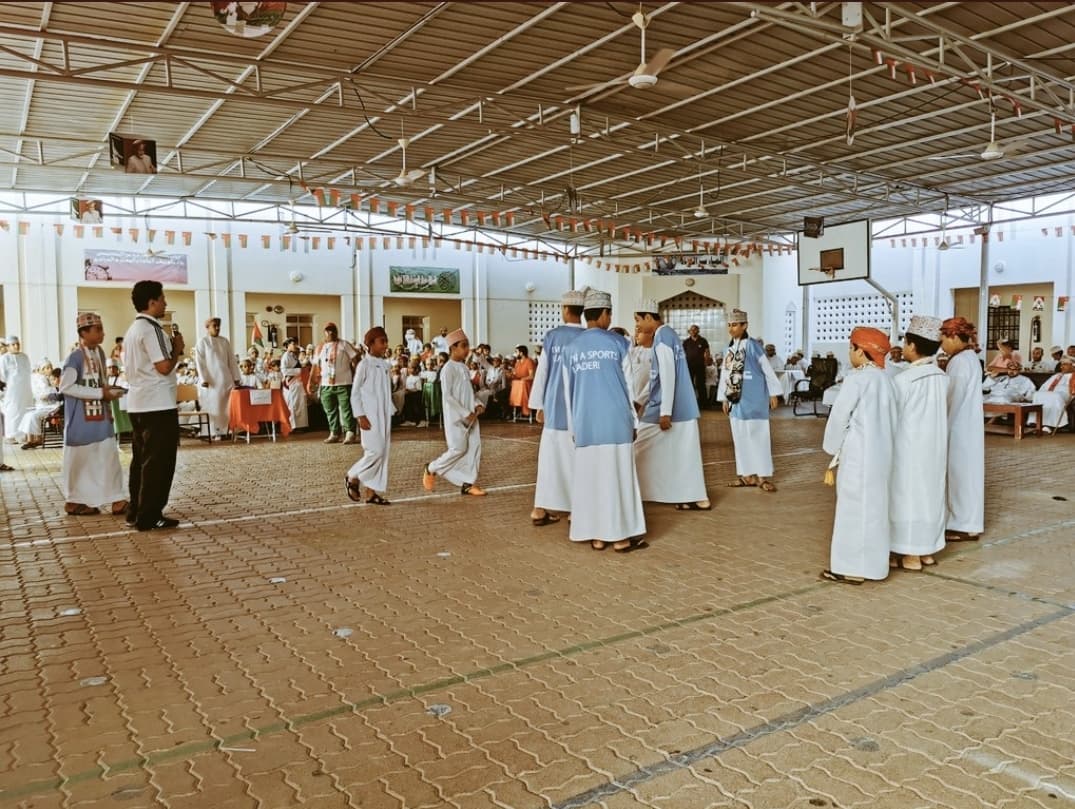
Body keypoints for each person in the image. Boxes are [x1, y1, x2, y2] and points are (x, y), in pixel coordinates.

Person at [563, 289, 646, 553]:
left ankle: (597, 536)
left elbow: (569, 393)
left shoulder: (571, 348)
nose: (610, 319)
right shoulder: (619, 344)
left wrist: (573, 427)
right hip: (615, 421)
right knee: (616, 478)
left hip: (585, 423)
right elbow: (630, 388)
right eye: (609, 314)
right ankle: (620, 537)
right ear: (603, 314)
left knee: (591, 480)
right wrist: (635, 422)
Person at [820, 327, 897, 585]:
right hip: (881, 455)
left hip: (858, 455)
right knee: (874, 510)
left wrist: (831, 447)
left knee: (852, 510)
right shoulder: (886, 379)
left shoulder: (857, 379)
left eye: (852, 347)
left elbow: (840, 415)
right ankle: (875, 567)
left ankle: (850, 568)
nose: (849, 353)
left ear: (861, 352)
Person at [633, 300, 710, 511]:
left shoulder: (663, 337)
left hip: (670, 408)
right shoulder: (666, 335)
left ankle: (633, 492)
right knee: (680, 455)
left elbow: (668, 376)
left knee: (637, 445)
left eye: (638, 320)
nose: (637, 326)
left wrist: (665, 413)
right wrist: (640, 400)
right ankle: (687, 496)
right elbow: (658, 378)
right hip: (675, 406)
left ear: (649, 317)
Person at [122, 280, 183, 531]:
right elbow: (164, 367)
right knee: (159, 462)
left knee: (141, 461)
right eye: (162, 298)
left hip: (138, 403)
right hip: (157, 404)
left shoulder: (132, 330)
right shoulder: (151, 328)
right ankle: (150, 514)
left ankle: (135, 510)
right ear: (152, 302)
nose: (165, 303)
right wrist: (177, 349)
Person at [889, 315, 949, 572]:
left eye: (904, 342)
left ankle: (910, 553)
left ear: (912, 346)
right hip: (934, 448)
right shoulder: (942, 377)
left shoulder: (903, 380)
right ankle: (927, 550)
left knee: (906, 496)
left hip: (908, 449)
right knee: (931, 495)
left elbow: (891, 417)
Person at [59, 312, 128, 517]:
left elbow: (101, 381)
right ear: (84, 332)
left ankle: (117, 500)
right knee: (80, 463)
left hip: (101, 419)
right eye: (97, 329)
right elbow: (65, 386)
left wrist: (108, 395)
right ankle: (74, 502)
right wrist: (100, 393)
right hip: (80, 422)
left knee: (109, 458)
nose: (103, 333)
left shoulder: (99, 353)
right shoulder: (75, 357)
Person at [527, 289, 586, 526]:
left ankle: (540, 509)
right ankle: (575, 509)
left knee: (550, 460)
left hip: (554, 407)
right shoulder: (589, 336)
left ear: (564, 310)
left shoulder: (552, 336)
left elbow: (543, 372)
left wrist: (538, 405)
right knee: (577, 459)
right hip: (581, 409)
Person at [717, 309, 781, 492]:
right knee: (740, 438)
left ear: (745, 325)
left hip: (754, 401)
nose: (731, 328)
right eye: (729, 325)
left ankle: (762, 477)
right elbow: (725, 374)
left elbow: (767, 370)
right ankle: (747, 476)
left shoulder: (753, 346)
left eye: (735, 325)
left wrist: (773, 393)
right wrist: (723, 398)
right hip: (736, 402)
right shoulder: (729, 348)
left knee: (758, 438)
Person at [422, 329, 486, 496]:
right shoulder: (448, 369)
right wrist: (465, 413)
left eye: (467, 346)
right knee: (458, 449)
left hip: (471, 416)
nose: (467, 350)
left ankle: (467, 483)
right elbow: (448, 396)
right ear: (453, 347)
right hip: (457, 418)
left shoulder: (464, 367)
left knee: (474, 449)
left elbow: (469, 393)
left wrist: (477, 404)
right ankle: (431, 468)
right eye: (463, 346)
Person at [940, 316, 984, 542]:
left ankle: (963, 524)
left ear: (955, 336)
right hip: (967, 427)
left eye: (944, 339)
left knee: (959, 476)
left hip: (958, 427)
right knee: (966, 476)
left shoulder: (959, 362)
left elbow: (951, 399)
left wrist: (940, 424)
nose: (942, 345)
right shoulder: (969, 358)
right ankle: (967, 522)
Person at [346, 327, 395, 505]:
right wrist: (360, 415)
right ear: (371, 344)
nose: (385, 345)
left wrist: (390, 410)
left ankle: (371, 492)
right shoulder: (364, 365)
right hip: (369, 415)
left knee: (383, 453)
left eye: (386, 341)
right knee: (375, 451)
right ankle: (352, 476)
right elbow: (355, 393)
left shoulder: (384, 364)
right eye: (382, 341)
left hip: (383, 415)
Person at [309, 322, 359, 444]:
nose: (330, 332)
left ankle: (350, 433)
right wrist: (311, 382)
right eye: (328, 330)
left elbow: (356, 360)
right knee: (330, 410)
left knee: (346, 409)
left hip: (344, 383)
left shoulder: (344, 344)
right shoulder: (320, 347)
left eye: (332, 330)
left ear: (336, 331)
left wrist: (357, 376)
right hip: (326, 384)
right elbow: (315, 366)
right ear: (324, 332)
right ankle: (334, 432)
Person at [193, 317, 240, 439]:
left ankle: (226, 431)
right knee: (214, 407)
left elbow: (232, 361)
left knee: (227, 408)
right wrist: (203, 379)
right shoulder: (202, 342)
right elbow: (200, 362)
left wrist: (236, 377)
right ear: (207, 327)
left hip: (226, 380)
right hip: (211, 382)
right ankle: (214, 432)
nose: (218, 328)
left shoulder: (224, 341)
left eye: (219, 325)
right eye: (215, 325)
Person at [0, 336, 33, 443]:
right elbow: (2, 375)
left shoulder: (25, 357)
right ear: (8, 346)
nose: (16, 346)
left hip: (25, 389)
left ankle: (23, 435)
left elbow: (28, 371)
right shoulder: (4, 358)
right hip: (12, 390)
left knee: (25, 410)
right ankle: (11, 435)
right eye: (13, 344)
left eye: (17, 343)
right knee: (12, 411)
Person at [1031, 356, 1075, 434]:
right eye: (1061, 364)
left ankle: (1051, 425)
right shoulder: (1056, 376)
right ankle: (1037, 423)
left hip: (1065, 395)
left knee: (1055, 396)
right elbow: (1044, 387)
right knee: (1038, 395)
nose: (1061, 367)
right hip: (1051, 393)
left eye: (1065, 364)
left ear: (1073, 365)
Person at [280, 338, 308, 431]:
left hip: (298, 382)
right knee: (294, 404)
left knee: (300, 403)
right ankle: (294, 426)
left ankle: (302, 425)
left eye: (295, 344)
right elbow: (284, 370)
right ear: (287, 345)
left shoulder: (293, 356)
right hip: (292, 383)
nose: (295, 345)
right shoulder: (285, 356)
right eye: (293, 344)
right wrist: (298, 371)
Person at [682, 324, 710, 407]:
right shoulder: (686, 342)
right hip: (689, 366)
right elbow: (682, 353)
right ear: (689, 332)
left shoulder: (703, 341)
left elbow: (707, 352)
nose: (693, 331)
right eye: (691, 330)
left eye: (695, 330)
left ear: (698, 331)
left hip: (700, 366)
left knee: (701, 384)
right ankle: (689, 403)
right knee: (689, 384)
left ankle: (703, 404)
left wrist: (706, 361)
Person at [508, 344, 535, 420]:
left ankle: (525, 410)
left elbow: (532, 376)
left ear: (521, 353)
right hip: (518, 384)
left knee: (522, 384)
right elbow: (516, 375)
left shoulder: (529, 361)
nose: (516, 354)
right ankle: (516, 409)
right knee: (514, 383)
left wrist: (523, 379)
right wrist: (511, 375)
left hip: (528, 384)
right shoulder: (517, 363)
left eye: (516, 352)